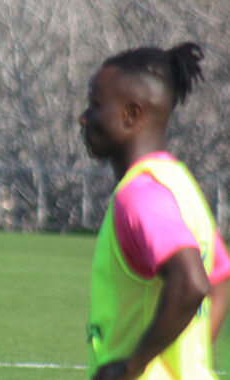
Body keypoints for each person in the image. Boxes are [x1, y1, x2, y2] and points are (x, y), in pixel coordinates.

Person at [80, 42, 230, 380]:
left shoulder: (140, 196)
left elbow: (192, 282)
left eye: (95, 105)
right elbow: (219, 279)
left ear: (131, 114)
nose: (84, 117)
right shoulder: (180, 184)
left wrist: (133, 368)